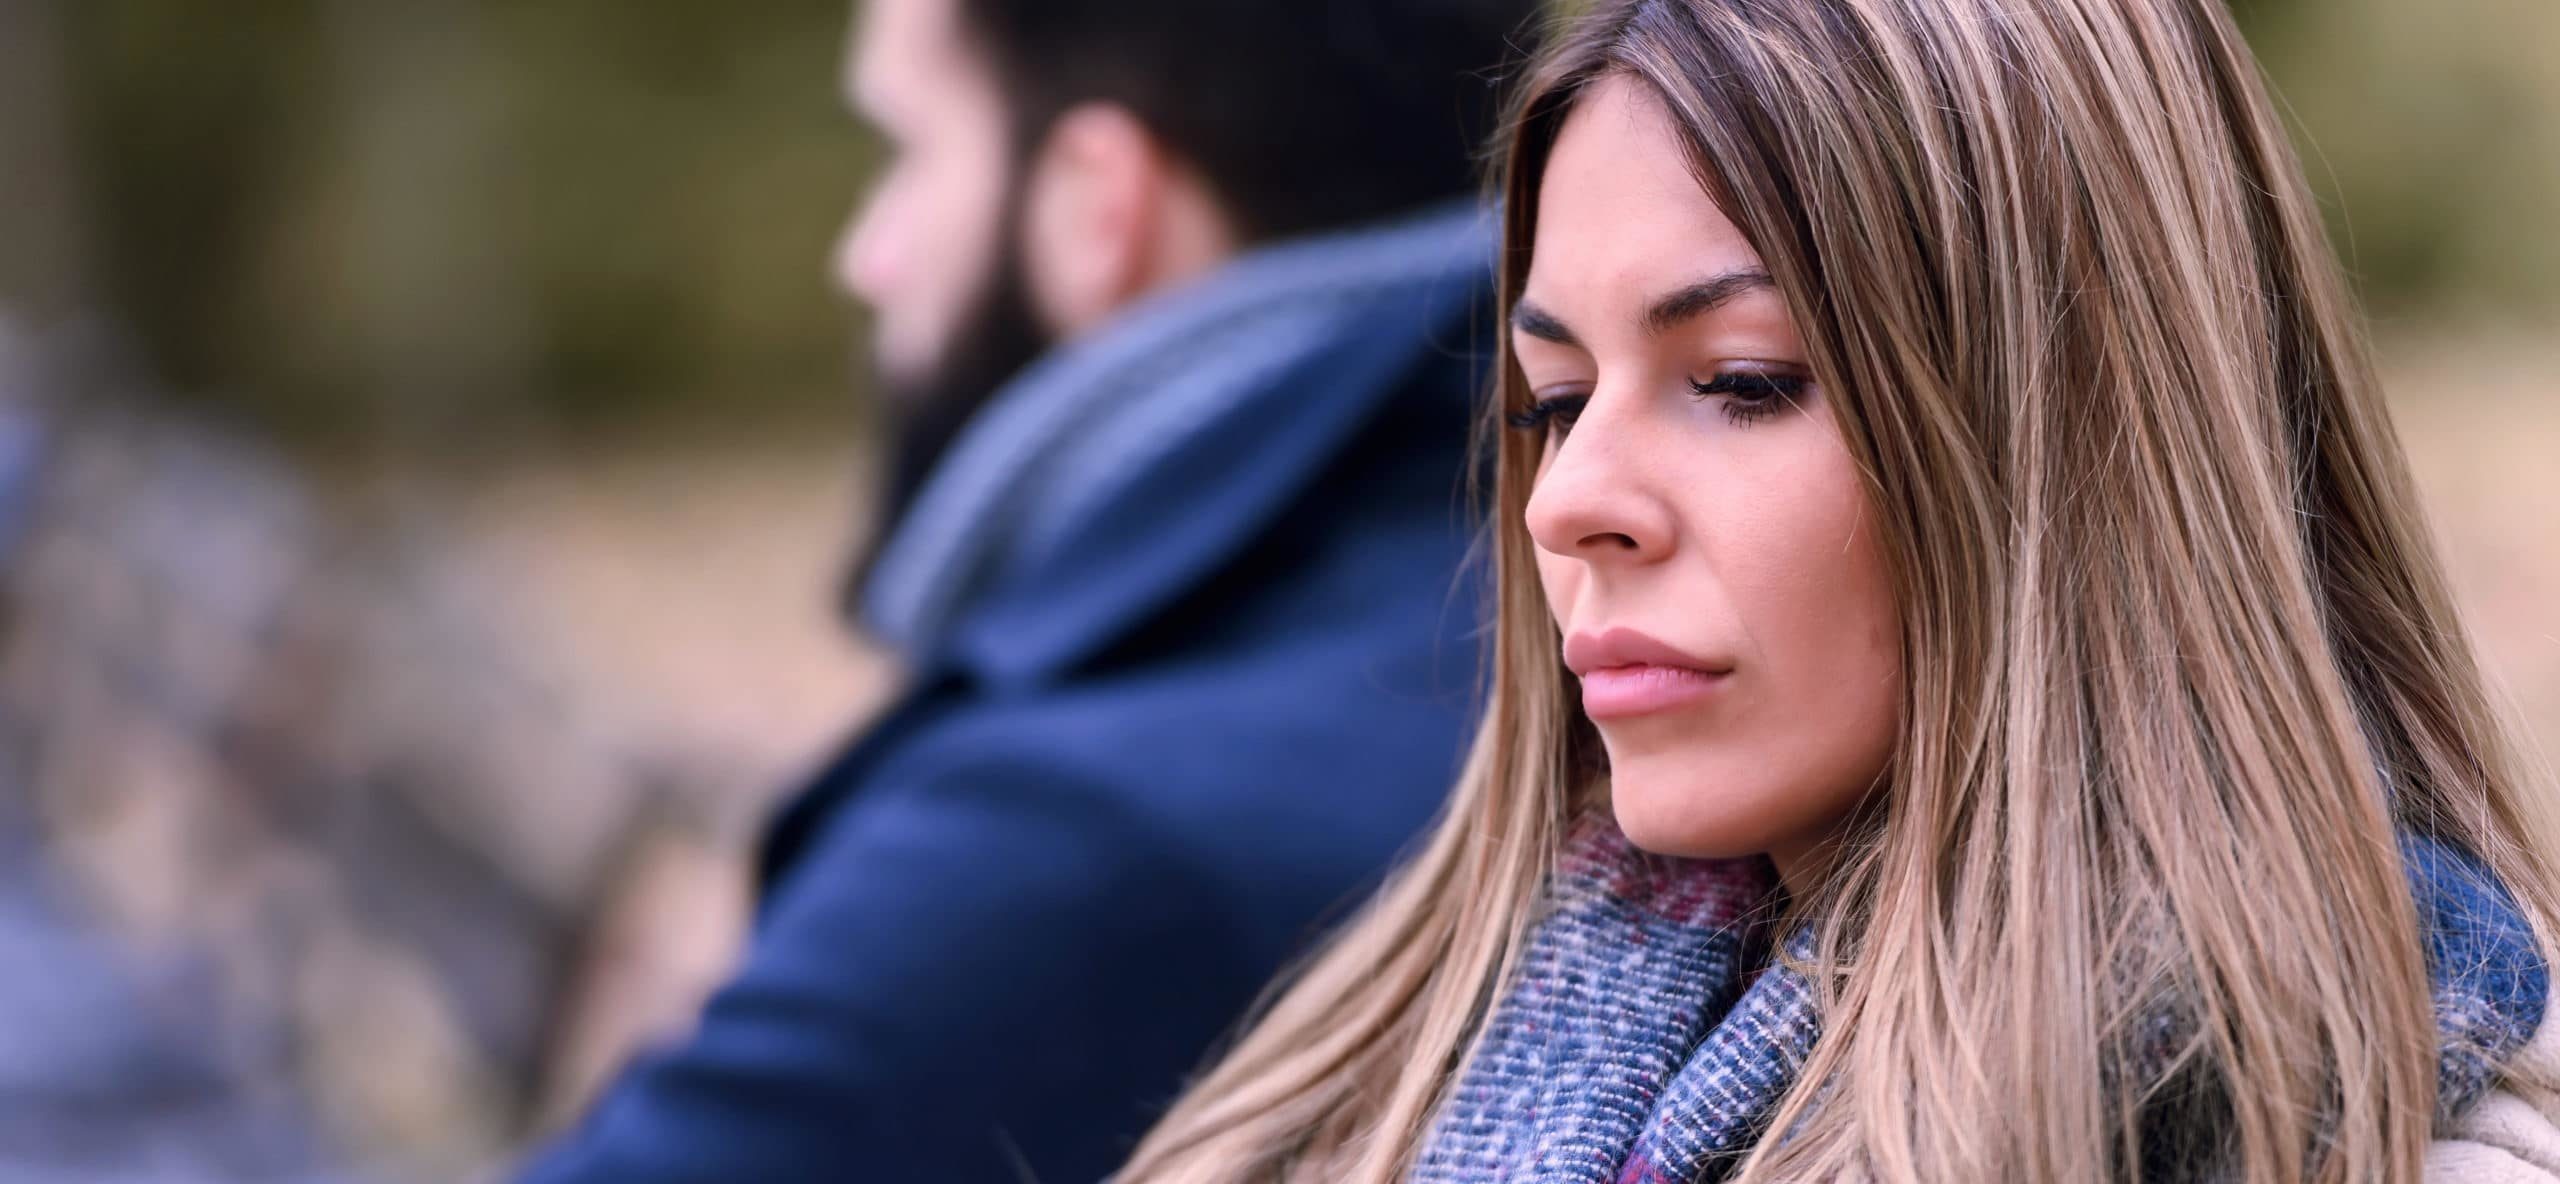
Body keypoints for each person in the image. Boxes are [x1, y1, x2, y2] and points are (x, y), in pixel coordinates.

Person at [1120, 0, 2560, 1180]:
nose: (1569, 501)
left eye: (1741, 383)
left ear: (2069, 443)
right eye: (1553, 399)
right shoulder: (1365, 1106)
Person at [518, 0, 1538, 1180]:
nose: (866, 253)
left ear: (1100, 207)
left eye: (908, 150)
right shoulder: (1556, 621)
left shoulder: (1060, 843)